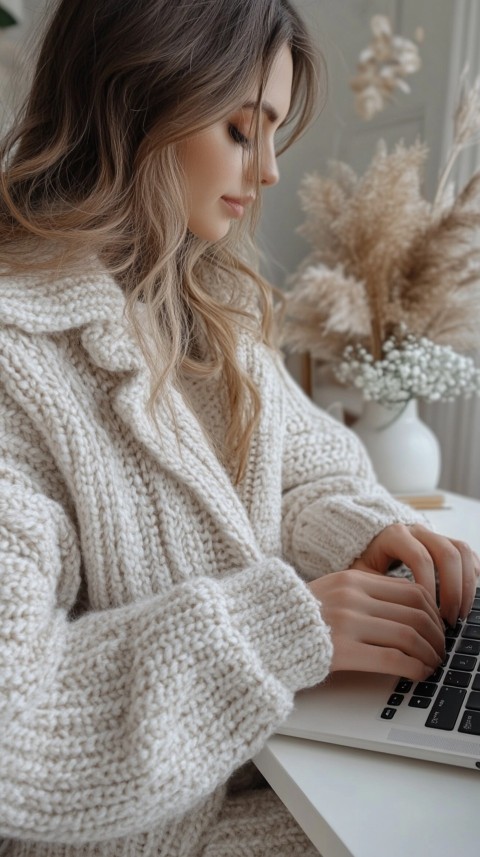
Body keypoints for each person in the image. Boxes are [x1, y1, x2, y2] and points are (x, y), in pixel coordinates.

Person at [0, 1, 478, 855]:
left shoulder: (208, 306)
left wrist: (365, 534)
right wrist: (283, 627)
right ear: (141, 100)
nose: (268, 175)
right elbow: (15, 720)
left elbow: (308, 468)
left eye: (272, 135)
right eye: (239, 128)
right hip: (157, 834)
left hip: (276, 754)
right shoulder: (16, 358)